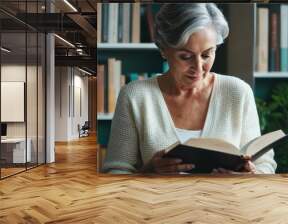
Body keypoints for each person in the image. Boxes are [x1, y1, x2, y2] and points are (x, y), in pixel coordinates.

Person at [102, 3, 277, 174]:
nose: (199, 67)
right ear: (164, 49)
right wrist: (149, 171)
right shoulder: (135, 96)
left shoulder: (238, 92)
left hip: (225, 202)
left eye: (207, 54)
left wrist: (250, 175)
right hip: (158, 202)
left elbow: (264, 164)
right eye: (186, 56)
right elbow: (115, 171)